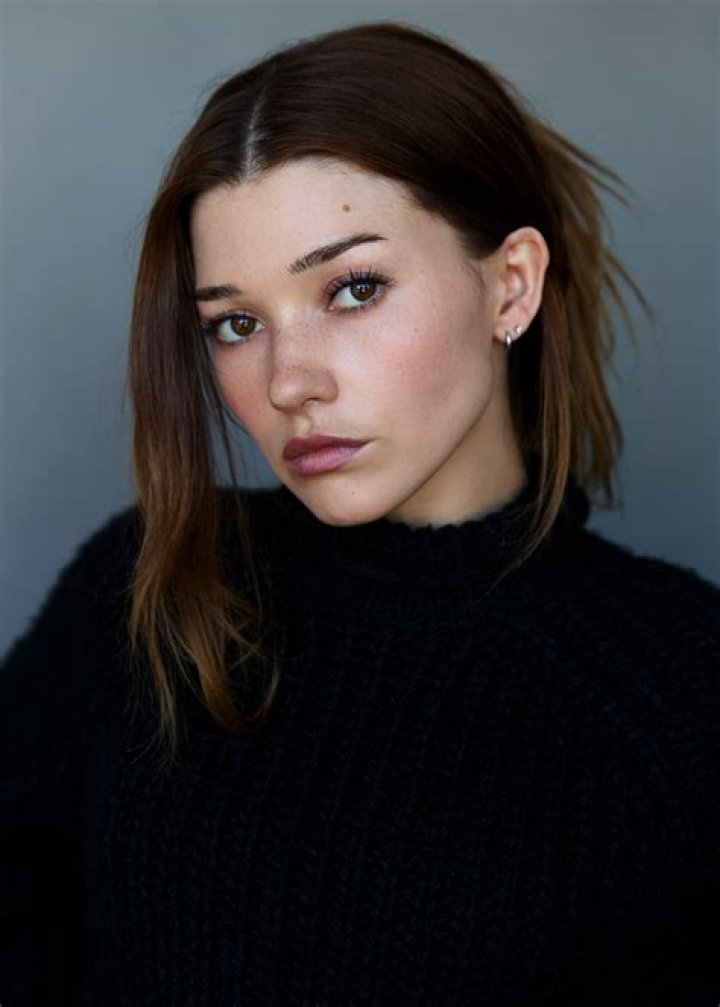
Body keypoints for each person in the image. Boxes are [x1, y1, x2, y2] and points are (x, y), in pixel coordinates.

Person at [1, 20, 718, 1007]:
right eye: (236, 323)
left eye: (354, 288)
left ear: (511, 284)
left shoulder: (679, 685)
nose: (288, 381)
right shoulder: (150, 587)